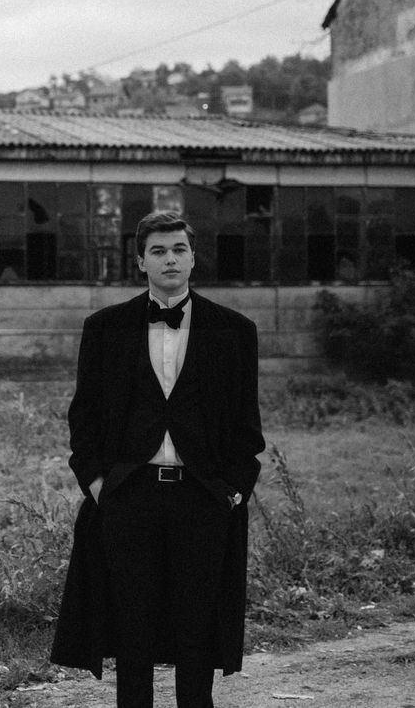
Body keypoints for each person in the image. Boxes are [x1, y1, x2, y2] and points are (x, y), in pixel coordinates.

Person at [49, 210, 265, 708]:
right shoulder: (104, 328)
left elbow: (245, 425)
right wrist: (99, 483)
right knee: (132, 630)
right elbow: (84, 418)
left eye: (179, 250)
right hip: (130, 496)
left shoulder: (234, 330)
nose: (170, 259)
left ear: (193, 259)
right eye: (159, 251)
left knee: (198, 627)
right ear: (140, 261)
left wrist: (231, 489)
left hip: (203, 498)